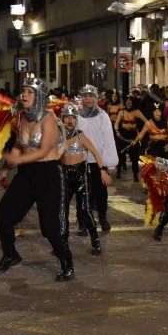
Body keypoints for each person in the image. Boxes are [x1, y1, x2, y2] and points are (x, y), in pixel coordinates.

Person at [0, 77, 74, 281]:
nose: (24, 95)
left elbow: (44, 150)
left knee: (50, 228)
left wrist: (15, 159)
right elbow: (20, 145)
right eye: (23, 91)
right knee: (3, 216)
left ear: (39, 97)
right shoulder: (20, 117)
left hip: (48, 174)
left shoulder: (49, 120)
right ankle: (10, 254)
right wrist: (7, 166)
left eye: (29, 92)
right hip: (26, 174)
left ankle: (67, 263)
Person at [60, 102, 111, 252]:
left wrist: (102, 170)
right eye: (67, 117)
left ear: (76, 120)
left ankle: (95, 241)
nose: (70, 120)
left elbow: (95, 152)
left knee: (84, 209)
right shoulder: (57, 137)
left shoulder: (81, 136)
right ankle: (62, 244)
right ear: (62, 119)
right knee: (62, 210)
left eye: (72, 118)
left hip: (81, 175)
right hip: (65, 175)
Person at [76, 84, 119, 233]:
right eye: (85, 96)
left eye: (91, 96)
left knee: (101, 194)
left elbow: (108, 139)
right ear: (82, 97)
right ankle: (82, 222)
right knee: (82, 194)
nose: (88, 99)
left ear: (95, 98)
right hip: (81, 161)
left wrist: (111, 163)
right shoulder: (76, 115)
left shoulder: (102, 116)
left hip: (99, 162)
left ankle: (103, 218)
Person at [115, 95, 149, 181]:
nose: (128, 103)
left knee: (134, 156)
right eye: (127, 101)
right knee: (120, 154)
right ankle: (118, 170)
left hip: (133, 136)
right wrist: (117, 132)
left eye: (130, 101)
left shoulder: (137, 112)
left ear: (132, 103)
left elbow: (147, 122)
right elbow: (116, 123)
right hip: (122, 135)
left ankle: (135, 174)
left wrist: (141, 134)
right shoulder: (121, 112)